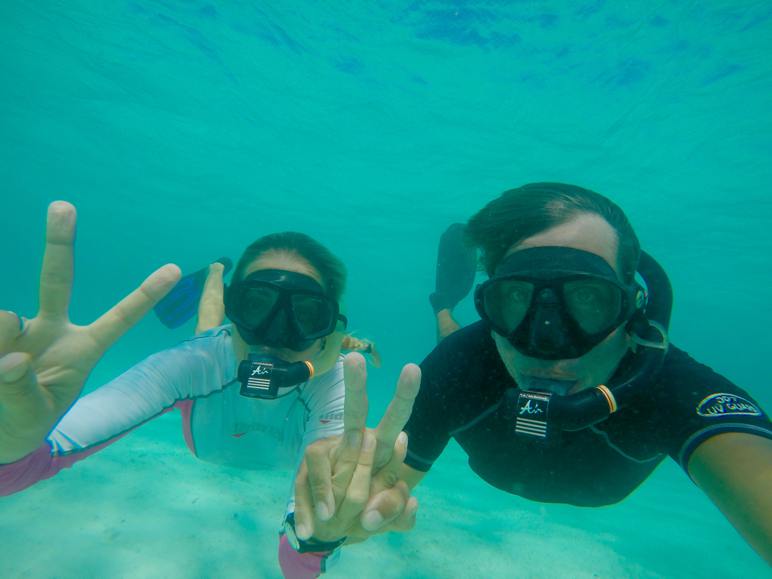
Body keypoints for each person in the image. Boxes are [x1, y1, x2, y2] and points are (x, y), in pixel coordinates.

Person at [295, 182, 772, 564]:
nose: (545, 344)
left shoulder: (669, 385)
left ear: (632, 311)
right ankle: (445, 308)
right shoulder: (461, 366)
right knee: (455, 344)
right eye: (514, 300)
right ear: (492, 308)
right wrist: (333, 524)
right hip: (469, 353)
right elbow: (369, 499)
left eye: (587, 300)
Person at [0, 201, 417, 578]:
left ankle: (227, 278)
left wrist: (316, 539)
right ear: (237, 311)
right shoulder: (197, 362)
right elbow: (29, 465)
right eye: (255, 305)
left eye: (305, 315)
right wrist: (9, 445)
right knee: (207, 333)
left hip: (299, 356)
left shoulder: (336, 387)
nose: (272, 336)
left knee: (212, 335)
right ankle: (218, 274)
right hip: (216, 346)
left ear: (329, 325)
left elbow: (299, 556)